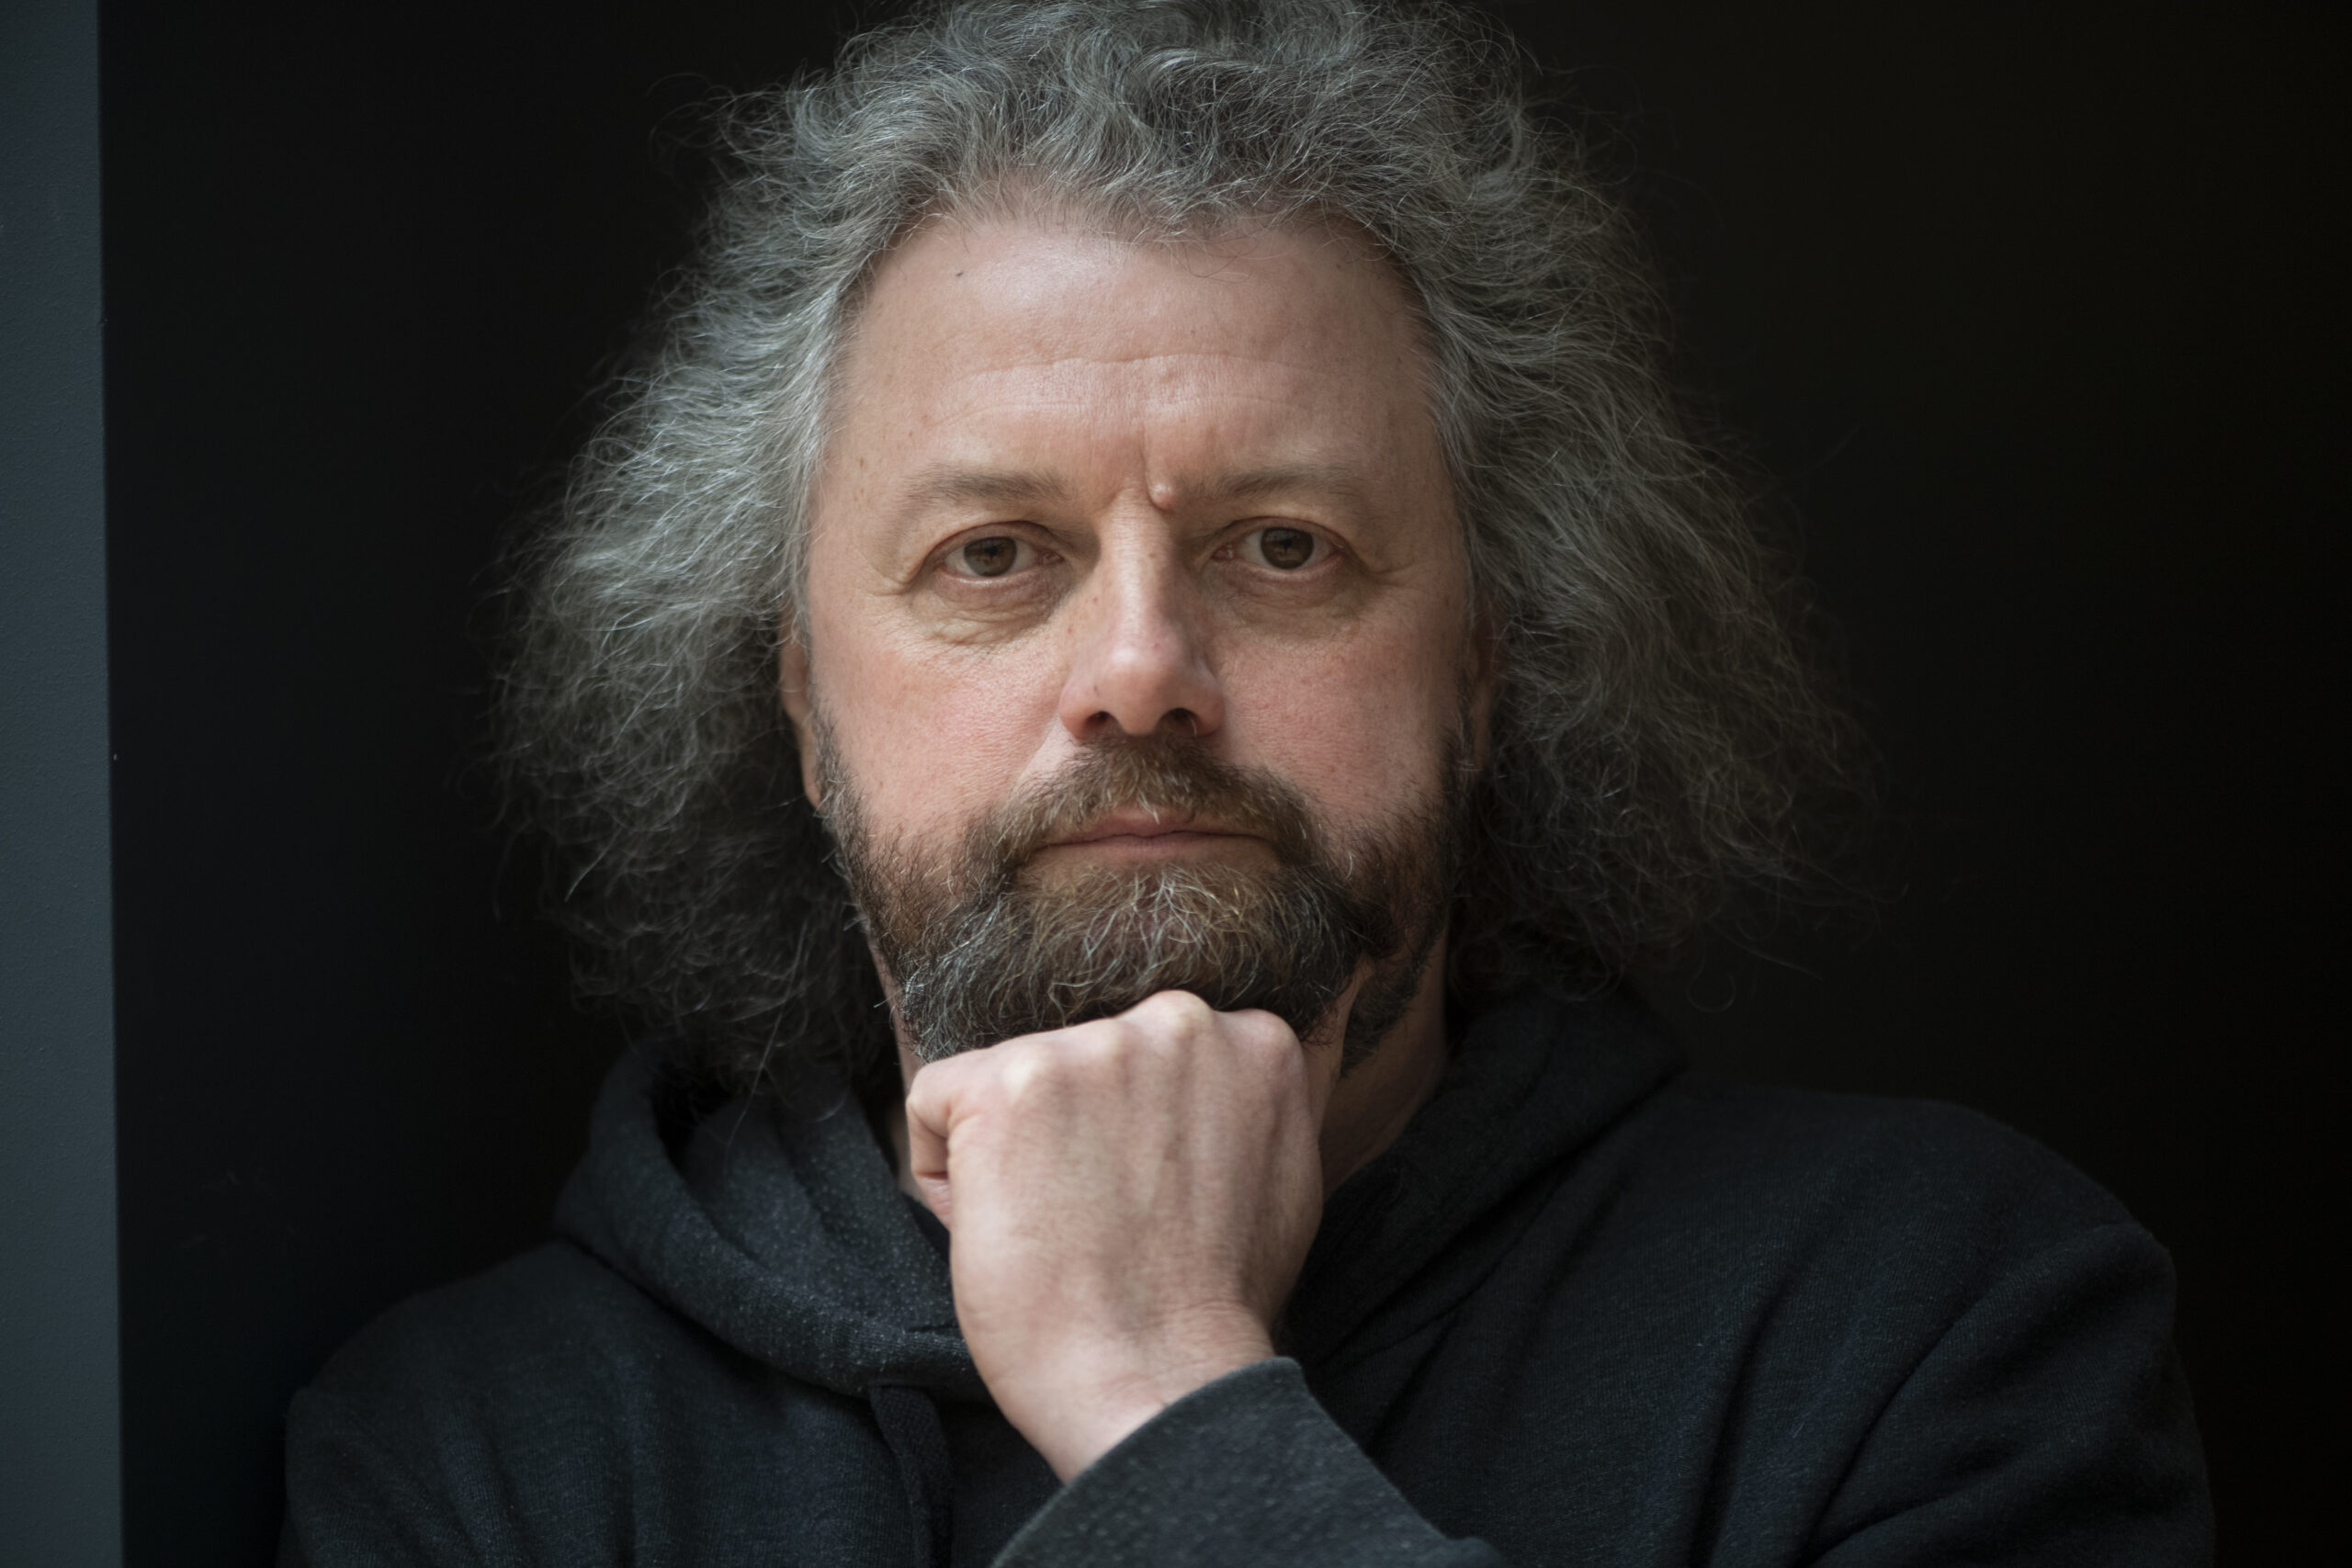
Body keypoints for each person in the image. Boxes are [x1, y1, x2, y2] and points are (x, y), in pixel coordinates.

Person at [279, 2, 2211, 1562]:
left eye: (1283, 547)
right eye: (992, 555)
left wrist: (1158, 1399)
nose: (1140, 670)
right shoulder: (482, 1459)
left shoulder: (1929, 1327)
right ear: (798, 703)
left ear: (1482, 673)